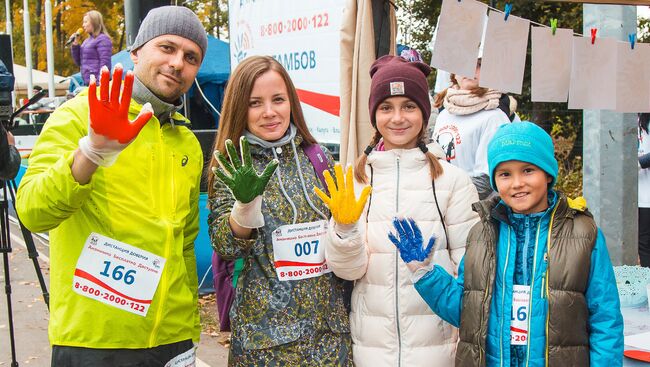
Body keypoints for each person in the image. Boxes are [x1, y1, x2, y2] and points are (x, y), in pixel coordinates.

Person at [17, 6, 208, 366]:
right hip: (95, 342)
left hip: (172, 341)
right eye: (166, 48)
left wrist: (189, 328)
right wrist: (90, 152)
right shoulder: (79, 114)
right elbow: (32, 211)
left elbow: (183, 243)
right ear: (136, 52)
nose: (178, 63)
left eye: (191, 56)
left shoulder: (187, 142)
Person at [392, 121, 623, 366]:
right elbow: (468, 312)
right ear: (495, 181)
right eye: (505, 174)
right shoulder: (482, 235)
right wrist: (425, 274)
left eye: (528, 170)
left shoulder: (583, 234)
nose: (516, 183)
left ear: (547, 174)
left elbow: (605, 319)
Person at [315, 55, 479, 366]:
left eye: (409, 106)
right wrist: (345, 231)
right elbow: (347, 271)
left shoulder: (453, 182)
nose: (398, 117)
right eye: (386, 107)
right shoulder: (356, 181)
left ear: (424, 112)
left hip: (439, 350)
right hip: (372, 350)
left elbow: (471, 275)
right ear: (374, 115)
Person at [207, 55, 352, 366]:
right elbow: (225, 246)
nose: (269, 112)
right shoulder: (232, 165)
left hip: (328, 340)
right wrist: (244, 207)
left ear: (292, 103)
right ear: (239, 108)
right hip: (266, 344)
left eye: (278, 100)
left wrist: (348, 228)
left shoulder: (319, 157)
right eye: (255, 103)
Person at [432, 59, 513, 200]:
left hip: (474, 210)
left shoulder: (494, 116)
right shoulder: (445, 113)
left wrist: (449, 202)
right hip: (442, 204)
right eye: (464, 62)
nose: (469, 69)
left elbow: (487, 180)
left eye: (479, 64)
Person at [71, 10, 113, 86]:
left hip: (98, 83)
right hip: (88, 82)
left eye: (86, 22)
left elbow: (105, 63)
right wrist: (75, 45)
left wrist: (100, 83)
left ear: (94, 22)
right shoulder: (86, 41)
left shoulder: (103, 39)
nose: (83, 25)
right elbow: (79, 62)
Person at [638, 113, 650, 267]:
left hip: (647, 194)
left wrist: (639, 163)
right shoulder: (634, 119)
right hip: (638, 194)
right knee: (642, 242)